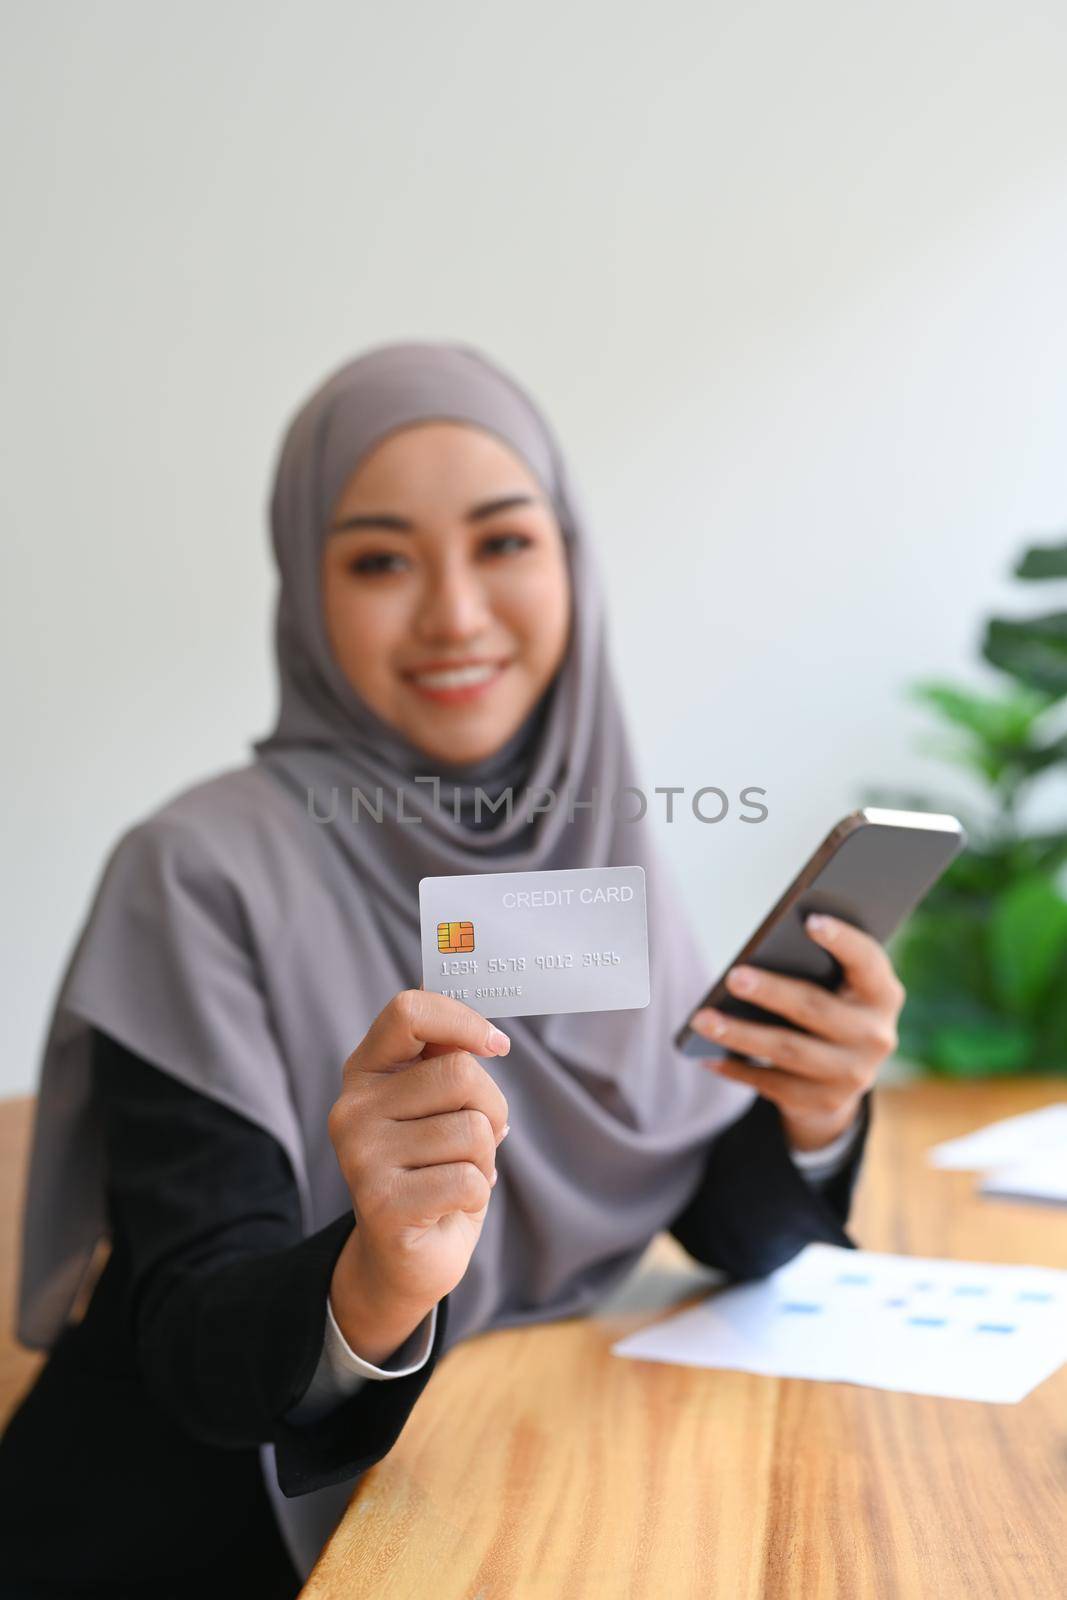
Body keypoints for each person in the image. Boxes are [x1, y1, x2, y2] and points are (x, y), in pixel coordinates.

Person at [0, 342, 904, 1597]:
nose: (455, 615)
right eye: (379, 560)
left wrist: (809, 1113)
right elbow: (197, 1347)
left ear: (569, 563)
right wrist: (378, 1269)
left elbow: (698, 1209)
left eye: (503, 544)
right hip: (184, 1547)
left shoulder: (587, 831)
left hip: (506, 1496)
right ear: (305, 596)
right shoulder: (198, 869)